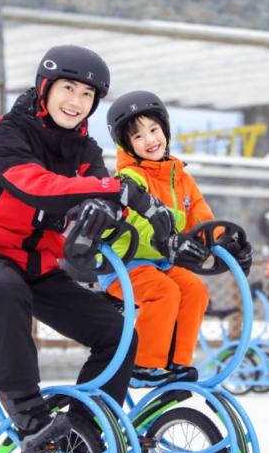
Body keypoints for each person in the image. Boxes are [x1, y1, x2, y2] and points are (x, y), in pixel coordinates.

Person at [0, 45, 175, 453]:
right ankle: (30, 416)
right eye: (68, 88)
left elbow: (95, 197)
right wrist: (112, 190)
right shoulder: (8, 133)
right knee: (4, 289)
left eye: (87, 95)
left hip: (38, 267)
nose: (76, 102)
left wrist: (105, 211)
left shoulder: (84, 151)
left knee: (117, 331)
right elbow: (34, 185)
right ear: (45, 87)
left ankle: (85, 431)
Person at [100, 91, 252, 388]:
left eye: (154, 130)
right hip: (125, 264)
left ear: (165, 130)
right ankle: (143, 364)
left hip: (161, 263)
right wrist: (166, 239)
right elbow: (136, 224)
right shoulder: (131, 180)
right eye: (138, 136)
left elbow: (200, 215)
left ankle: (175, 362)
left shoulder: (181, 177)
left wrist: (224, 243)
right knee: (164, 292)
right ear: (127, 145)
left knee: (195, 290)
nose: (150, 140)